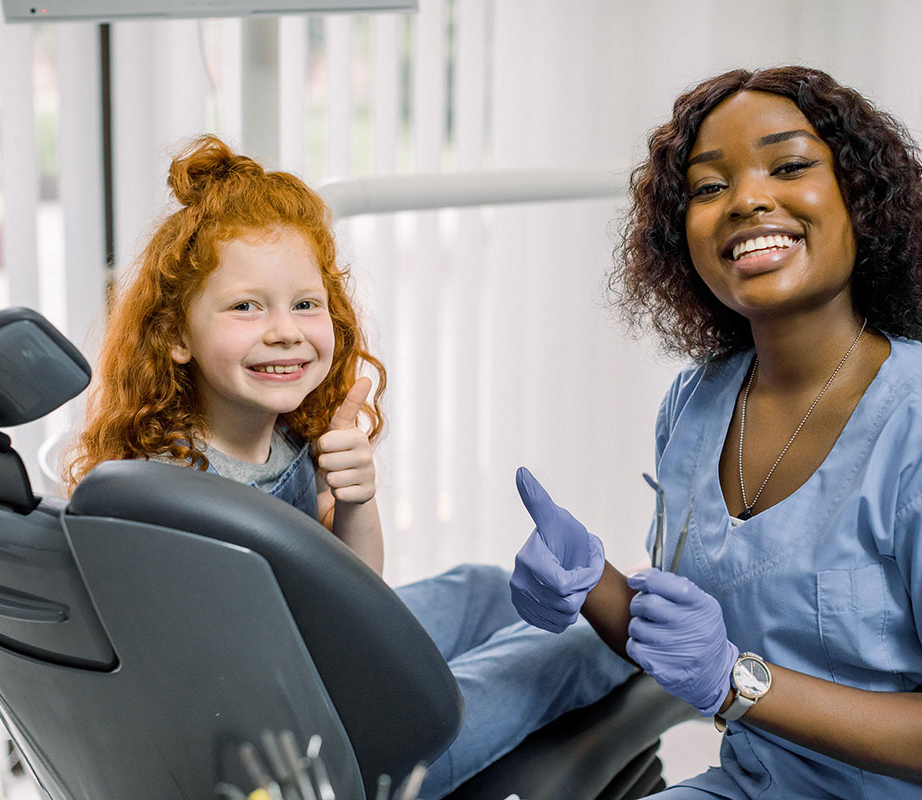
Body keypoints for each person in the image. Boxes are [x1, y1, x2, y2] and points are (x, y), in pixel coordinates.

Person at [508, 67, 922, 798]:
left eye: (791, 165)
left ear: (861, 200)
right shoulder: (697, 404)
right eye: (710, 187)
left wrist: (740, 684)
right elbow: (693, 655)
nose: (746, 199)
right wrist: (593, 586)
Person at [62, 134, 634, 799]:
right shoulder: (170, 493)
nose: (284, 329)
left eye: (305, 304)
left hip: (326, 674)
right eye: (246, 306)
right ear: (175, 338)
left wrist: (354, 500)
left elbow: (356, 594)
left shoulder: (285, 444)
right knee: (585, 644)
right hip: (318, 764)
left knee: (484, 588)